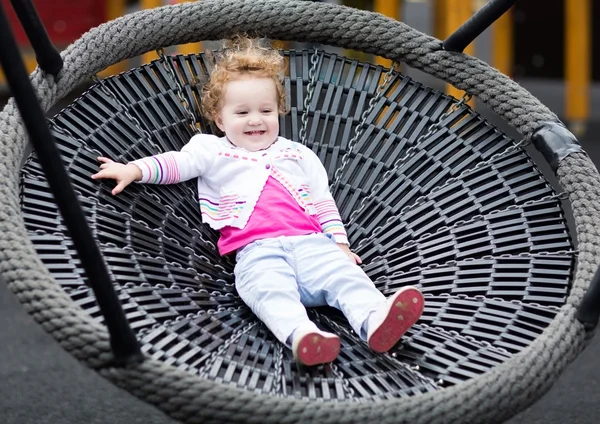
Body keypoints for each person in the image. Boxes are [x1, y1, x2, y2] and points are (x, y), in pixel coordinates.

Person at [91, 36, 424, 366]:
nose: (255, 120)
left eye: (266, 110)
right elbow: (177, 164)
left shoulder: (297, 154)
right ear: (220, 120)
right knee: (268, 292)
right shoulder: (213, 150)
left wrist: (339, 242)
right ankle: (302, 335)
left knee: (347, 278)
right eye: (242, 112)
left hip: (312, 245)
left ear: (278, 111)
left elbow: (323, 201)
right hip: (257, 250)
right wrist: (134, 170)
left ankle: (374, 320)